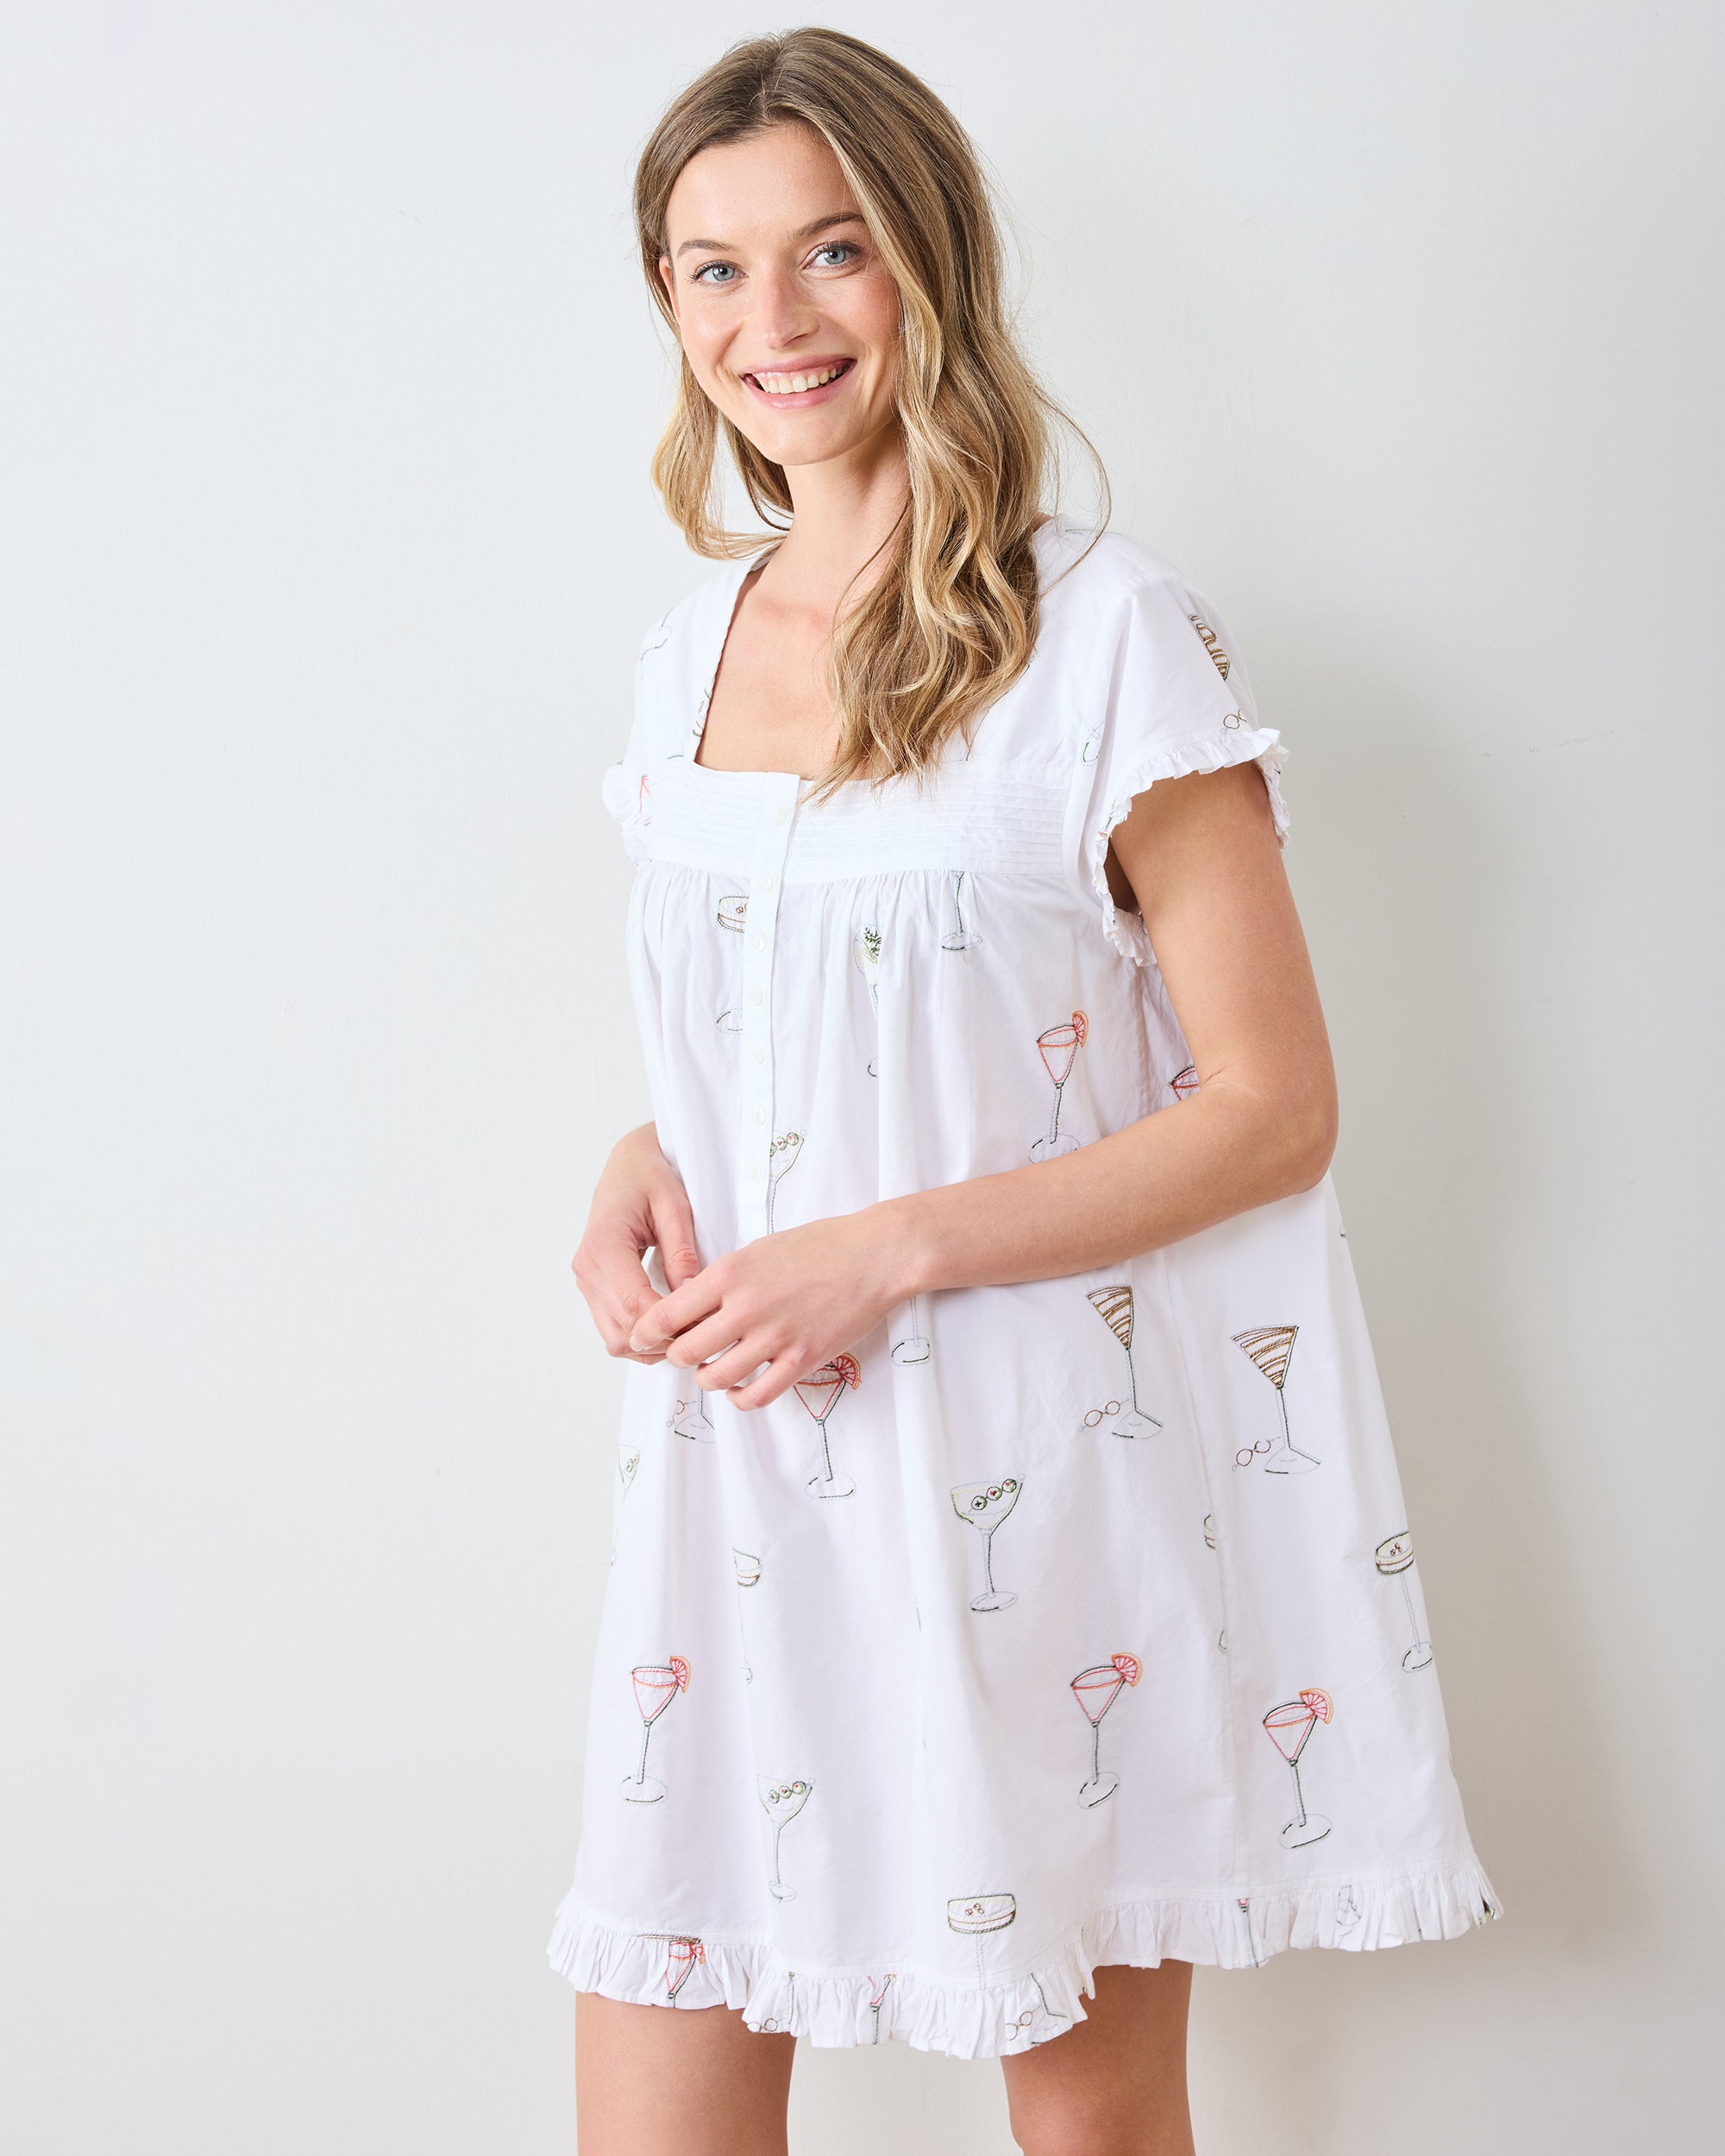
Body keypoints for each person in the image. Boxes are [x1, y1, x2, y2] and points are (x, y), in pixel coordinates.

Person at [549, 28, 1498, 2156]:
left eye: (832, 250)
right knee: (655, 2097)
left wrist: (884, 1250)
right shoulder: (683, 654)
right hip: (735, 1479)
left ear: (932, 261)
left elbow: (1272, 1105)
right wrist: (641, 1152)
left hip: (1032, 1472)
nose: (772, 320)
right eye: (711, 268)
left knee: (1084, 2122)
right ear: (668, 304)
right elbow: (808, 1029)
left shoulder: (1108, 636)